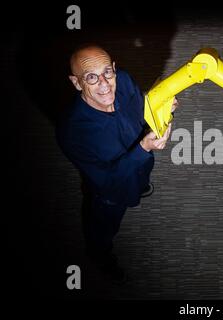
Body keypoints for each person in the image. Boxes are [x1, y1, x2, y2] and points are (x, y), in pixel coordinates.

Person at [56, 45, 177, 283]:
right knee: (103, 226)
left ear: (113, 69)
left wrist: (159, 107)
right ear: (77, 83)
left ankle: (140, 186)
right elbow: (107, 180)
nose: (104, 83)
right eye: (91, 77)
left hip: (140, 168)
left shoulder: (122, 79)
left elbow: (140, 111)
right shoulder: (73, 133)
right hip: (110, 193)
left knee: (139, 180)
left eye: (107, 72)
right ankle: (100, 255)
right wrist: (143, 148)